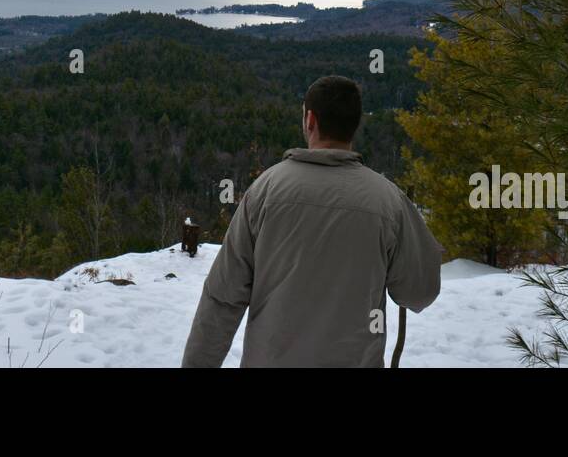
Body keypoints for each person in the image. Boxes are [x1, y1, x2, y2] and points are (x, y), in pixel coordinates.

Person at [181, 74, 442, 367]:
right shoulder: (388, 200)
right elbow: (419, 293)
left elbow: (223, 297)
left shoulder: (266, 189)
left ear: (310, 120)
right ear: (354, 125)